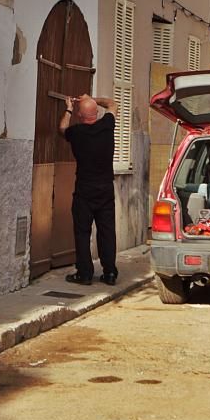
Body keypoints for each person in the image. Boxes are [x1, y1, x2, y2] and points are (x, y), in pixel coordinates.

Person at [59, 93, 119, 286]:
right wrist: (92, 98)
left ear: (80, 116)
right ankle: (110, 273)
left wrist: (69, 108)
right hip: (105, 188)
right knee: (107, 231)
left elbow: (62, 129)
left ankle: (84, 273)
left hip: (85, 190)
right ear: (96, 113)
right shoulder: (107, 126)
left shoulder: (76, 132)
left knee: (82, 232)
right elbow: (112, 103)